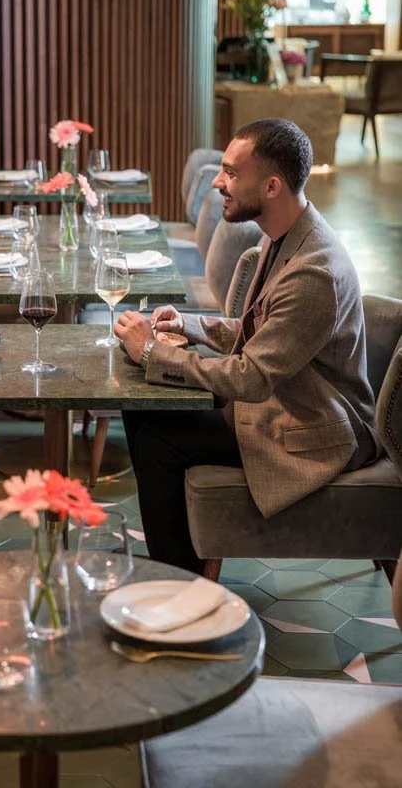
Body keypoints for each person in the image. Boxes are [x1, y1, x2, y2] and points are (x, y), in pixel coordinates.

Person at [115, 118, 380, 573]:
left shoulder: (314, 272)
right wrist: (188, 325)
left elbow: (252, 377)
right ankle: (173, 556)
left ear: (272, 186)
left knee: (160, 440)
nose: (217, 182)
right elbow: (262, 331)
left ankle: (182, 583)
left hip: (313, 428)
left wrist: (152, 352)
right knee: (142, 406)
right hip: (283, 402)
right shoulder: (285, 236)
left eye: (232, 173)